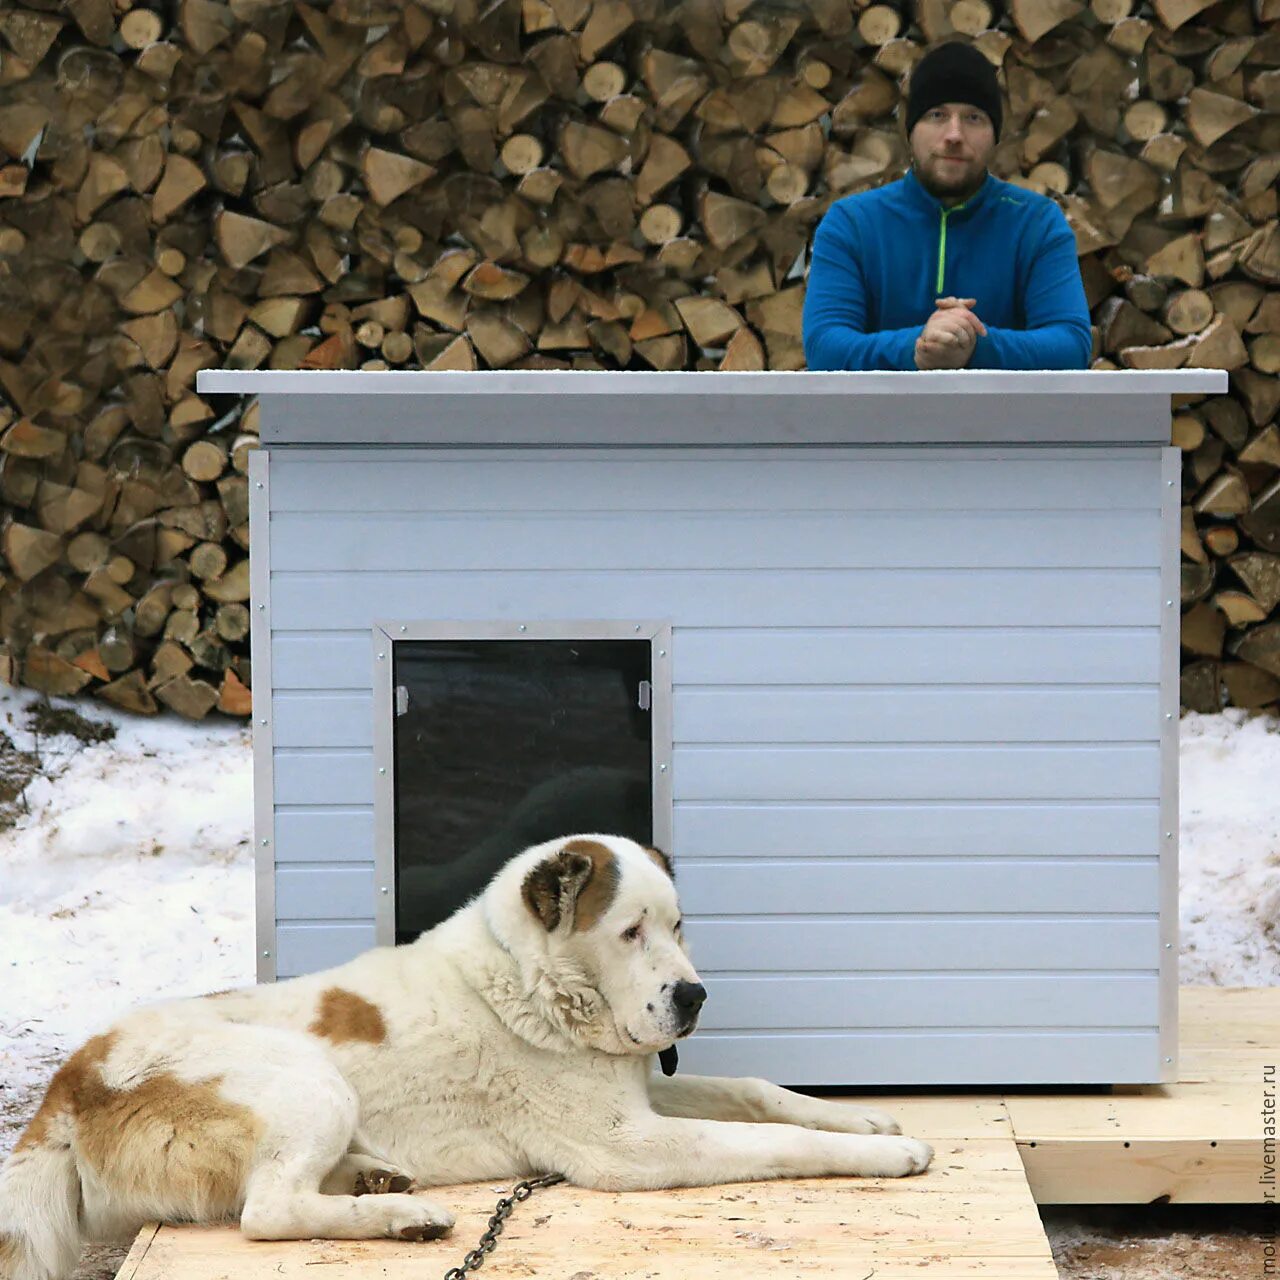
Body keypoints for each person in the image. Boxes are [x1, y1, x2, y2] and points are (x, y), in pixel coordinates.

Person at [802, 41, 1092, 372]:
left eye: (973, 117)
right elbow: (824, 348)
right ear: (911, 132)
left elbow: (1071, 345)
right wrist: (917, 346)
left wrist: (974, 344)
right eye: (937, 115)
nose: (954, 134)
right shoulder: (851, 223)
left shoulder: (1037, 222)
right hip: (881, 423)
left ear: (994, 135)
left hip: (1004, 423)